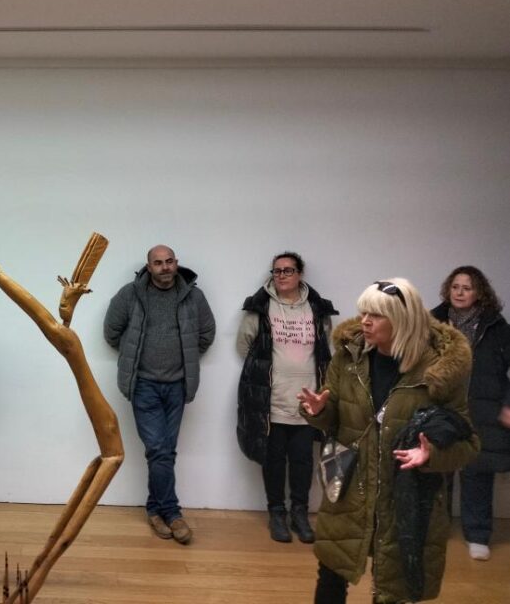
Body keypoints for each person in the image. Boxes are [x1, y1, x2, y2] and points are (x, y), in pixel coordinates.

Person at [299, 278, 479, 603]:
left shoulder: (440, 370)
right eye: (363, 312)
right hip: (349, 487)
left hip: (405, 497)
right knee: (331, 572)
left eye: (376, 315)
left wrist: (432, 455)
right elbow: (335, 417)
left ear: (402, 319)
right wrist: (319, 411)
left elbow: (469, 444)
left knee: (393, 589)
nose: (365, 321)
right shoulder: (348, 357)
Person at [103, 244, 215, 545]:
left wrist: (183, 356)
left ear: (176, 263)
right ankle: (173, 514)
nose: (165, 267)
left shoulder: (193, 296)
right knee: (159, 449)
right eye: (158, 263)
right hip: (144, 385)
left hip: (178, 385)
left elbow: (206, 334)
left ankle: (154, 510)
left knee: (164, 451)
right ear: (148, 266)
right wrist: (135, 354)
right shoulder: (130, 294)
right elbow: (111, 332)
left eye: (169, 261)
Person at [236, 251, 337, 544]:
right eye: (277, 271)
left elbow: (325, 349)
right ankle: (277, 514)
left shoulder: (317, 308)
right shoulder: (260, 307)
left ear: (300, 274)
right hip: (270, 401)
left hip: (307, 401)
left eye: (288, 270)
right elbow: (245, 346)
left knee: (303, 460)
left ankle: (300, 514)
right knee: (273, 460)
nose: (281, 275)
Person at [430, 266, 510, 562]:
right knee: (437, 470)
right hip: (442, 405)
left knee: (477, 472)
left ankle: (478, 534)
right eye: (455, 287)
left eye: (467, 287)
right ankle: (434, 528)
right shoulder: (433, 322)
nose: (460, 292)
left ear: (480, 293)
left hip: (482, 408)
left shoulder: (496, 326)